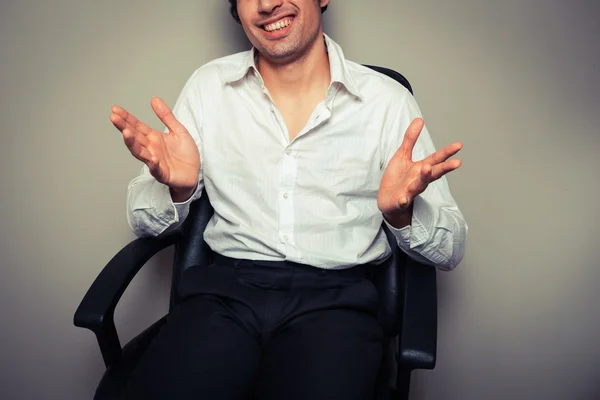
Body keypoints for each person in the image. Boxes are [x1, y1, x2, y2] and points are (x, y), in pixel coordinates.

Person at [109, 1, 467, 399]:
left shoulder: (387, 101)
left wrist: (402, 216)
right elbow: (142, 222)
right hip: (225, 293)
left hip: (337, 303)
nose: (267, 4)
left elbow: (450, 249)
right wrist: (177, 189)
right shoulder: (208, 87)